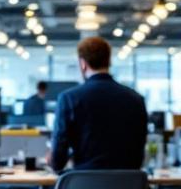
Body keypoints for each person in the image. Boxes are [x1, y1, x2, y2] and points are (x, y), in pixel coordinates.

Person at [49, 36, 148, 171]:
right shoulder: (136, 99)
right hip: (127, 180)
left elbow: (58, 162)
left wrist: (54, 159)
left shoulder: (68, 98)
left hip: (84, 180)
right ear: (109, 61)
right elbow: (139, 157)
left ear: (83, 64)